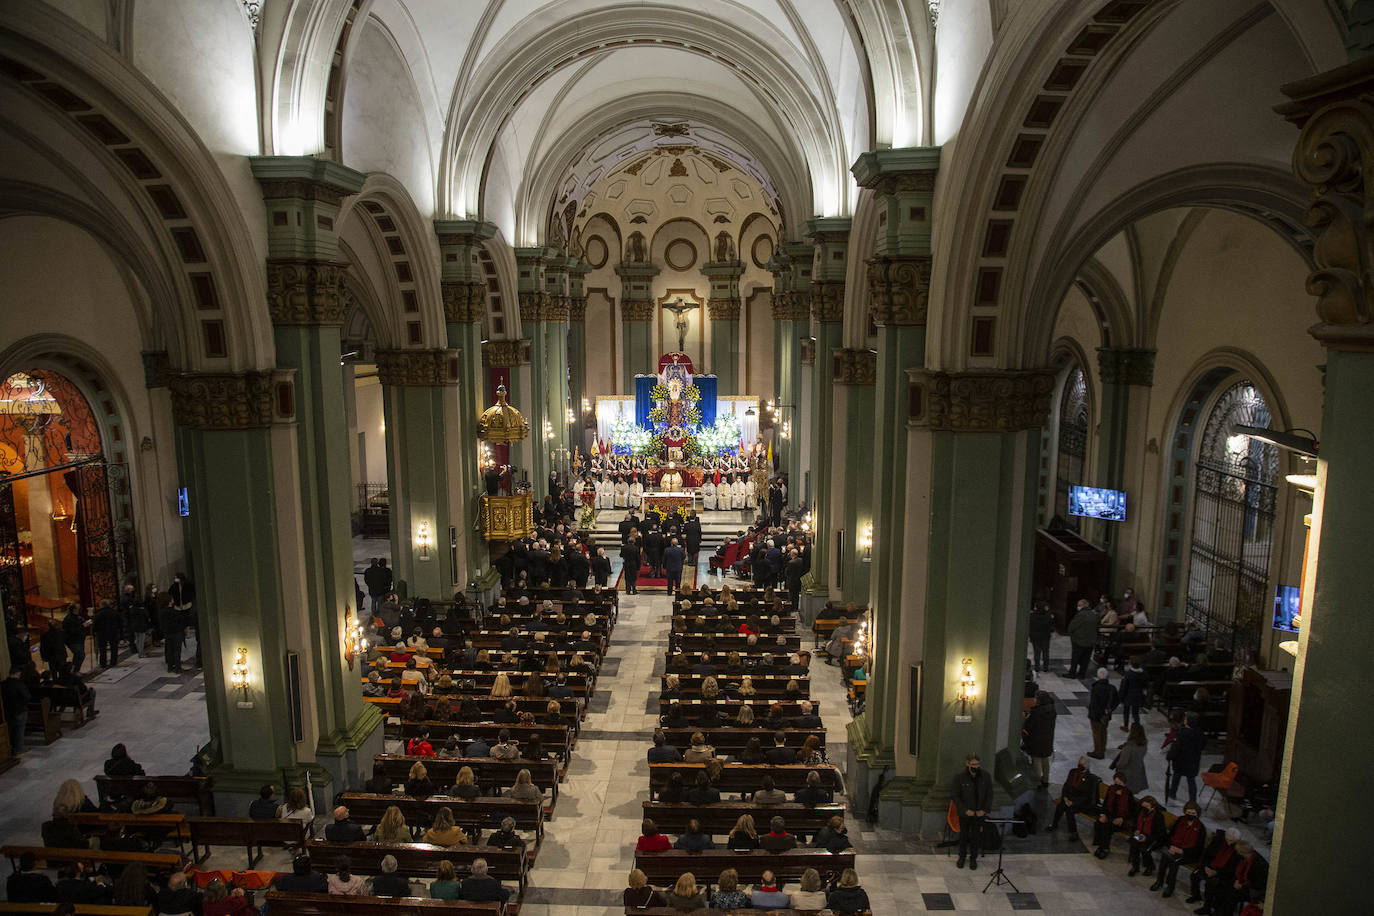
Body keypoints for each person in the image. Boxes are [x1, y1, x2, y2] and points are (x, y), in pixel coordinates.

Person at [1151, 800, 1207, 896]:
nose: (1190, 815)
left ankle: (1170, 887)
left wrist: (1182, 850)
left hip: (1189, 854)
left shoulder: (1200, 828)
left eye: (1193, 813)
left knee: (1174, 862)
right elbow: (1171, 835)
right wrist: (1171, 846)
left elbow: (1198, 847)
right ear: (1185, 812)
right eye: (1188, 813)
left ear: (1197, 814)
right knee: (1164, 857)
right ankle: (1159, 881)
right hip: (1174, 848)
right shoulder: (1181, 820)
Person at [1197, 841, 1266, 916]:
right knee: (1223, 885)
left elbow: (1259, 883)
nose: (1237, 853)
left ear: (1242, 852)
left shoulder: (1258, 863)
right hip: (1243, 883)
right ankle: (1214, 909)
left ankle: (1222, 913)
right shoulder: (1245, 856)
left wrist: (1242, 885)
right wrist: (1237, 880)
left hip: (1254, 890)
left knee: (1232, 895)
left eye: (1238, 852)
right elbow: (1238, 871)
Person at [954, 751, 992, 870]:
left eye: (977, 764)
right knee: (963, 836)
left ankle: (973, 858)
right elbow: (955, 796)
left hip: (978, 813)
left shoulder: (985, 776)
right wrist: (965, 810)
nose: (975, 767)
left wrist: (984, 810)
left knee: (976, 837)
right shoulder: (960, 778)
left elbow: (989, 795)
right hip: (966, 814)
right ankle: (962, 857)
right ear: (967, 764)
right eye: (973, 764)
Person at [1187, 827, 1241, 905]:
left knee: (1210, 884)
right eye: (1227, 839)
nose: (1229, 842)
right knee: (1194, 876)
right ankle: (1196, 895)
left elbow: (1233, 868)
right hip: (1209, 866)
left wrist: (1216, 872)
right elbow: (1206, 854)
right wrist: (1205, 866)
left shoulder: (1238, 850)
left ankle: (1207, 906)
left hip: (1222, 873)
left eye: (1232, 841)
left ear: (1236, 840)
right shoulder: (1218, 840)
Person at [1049, 757, 1100, 837]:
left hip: (1081, 802)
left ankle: (1073, 832)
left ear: (1087, 766)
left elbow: (1086, 796)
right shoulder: (1073, 772)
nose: (1079, 766)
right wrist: (1065, 797)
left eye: (1082, 764)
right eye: (1079, 763)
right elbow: (1066, 786)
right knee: (1060, 806)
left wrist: (1073, 802)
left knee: (1070, 810)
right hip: (1069, 798)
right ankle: (1054, 825)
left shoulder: (1090, 778)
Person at [1166, 711, 1206, 803]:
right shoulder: (1200, 732)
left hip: (1181, 760)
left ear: (1187, 721)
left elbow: (1175, 747)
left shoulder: (1181, 733)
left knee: (1176, 776)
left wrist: (1170, 756)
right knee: (1191, 780)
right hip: (1193, 760)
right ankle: (1192, 799)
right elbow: (1203, 744)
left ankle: (1172, 793)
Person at [1093, 771, 1134, 858]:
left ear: (1124, 782)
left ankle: (1105, 849)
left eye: (1120, 783)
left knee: (1107, 827)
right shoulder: (1111, 789)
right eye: (1116, 783)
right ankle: (1101, 846)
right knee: (1099, 822)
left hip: (1121, 820)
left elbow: (1131, 811)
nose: (1118, 785)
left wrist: (1122, 819)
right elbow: (1105, 804)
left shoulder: (1128, 793)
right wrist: (1103, 814)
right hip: (1110, 815)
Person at [1022, 689, 1058, 787]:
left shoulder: (1037, 712)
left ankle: (1036, 781)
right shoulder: (1052, 710)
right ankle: (1045, 779)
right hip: (1047, 739)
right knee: (1045, 759)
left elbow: (1029, 725)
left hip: (1036, 740)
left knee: (1036, 760)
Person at [1126, 794, 1167, 877]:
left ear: (1152, 807)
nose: (1143, 808)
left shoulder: (1158, 816)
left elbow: (1161, 834)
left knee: (1145, 849)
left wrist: (1146, 838)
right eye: (1143, 806)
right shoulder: (1140, 811)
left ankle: (1150, 867)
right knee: (1133, 843)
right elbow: (1134, 823)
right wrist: (1136, 831)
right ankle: (1135, 867)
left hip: (1153, 839)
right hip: (1141, 835)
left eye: (1146, 806)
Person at [1087, 667, 1119, 759]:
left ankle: (1098, 752)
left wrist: (1092, 713)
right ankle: (1103, 747)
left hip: (1096, 716)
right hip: (1106, 715)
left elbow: (1094, 704)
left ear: (1098, 676)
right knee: (1103, 731)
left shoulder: (1096, 688)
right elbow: (1116, 701)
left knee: (1096, 733)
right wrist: (1110, 710)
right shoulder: (1112, 688)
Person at [1066, 599, 1098, 678]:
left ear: (1083, 605)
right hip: (1090, 641)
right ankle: (1082, 674)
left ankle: (1072, 673)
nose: (1078, 607)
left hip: (1079, 640)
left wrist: (1070, 632)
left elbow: (1072, 626)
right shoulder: (1094, 614)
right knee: (1086, 659)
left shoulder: (1081, 614)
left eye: (1079, 605)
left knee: (1075, 658)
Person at [3, 666, 31, 755]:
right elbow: (27, 696)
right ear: (18, 673)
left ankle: (10, 747)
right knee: (19, 730)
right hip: (19, 709)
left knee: (11, 730)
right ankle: (18, 748)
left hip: (7, 711)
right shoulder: (18, 684)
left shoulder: (3, 684)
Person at [1116, 722, 1149, 793]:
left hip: (1128, 773)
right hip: (1138, 769)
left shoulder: (1129, 747)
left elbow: (1123, 762)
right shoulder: (1144, 743)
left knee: (1126, 791)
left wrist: (1117, 765)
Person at [1120, 656, 1150, 730]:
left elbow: (1124, 687)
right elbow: (1146, 685)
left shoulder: (1128, 674)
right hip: (1138, 695)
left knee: (1126, 711)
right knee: (1135, 712)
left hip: (1128, 695)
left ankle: (1126, 726)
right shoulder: (1144, 673)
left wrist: (1121, 696)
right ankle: (1137, 726)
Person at [93, 599, 121, 669]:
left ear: (101, 605)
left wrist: (95, 631)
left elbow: (95, 624)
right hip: (113, 632)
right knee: (114, 647)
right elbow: (120, 621)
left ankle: (103, 663)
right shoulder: (114, 612)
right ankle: (113, 662)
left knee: (102, 648)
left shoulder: (98, 614)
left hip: (102, 633)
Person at [1028, 601, 1054, 672]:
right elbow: (1051, 628)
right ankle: (1045, 668)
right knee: (1045, 652)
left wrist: (1030, 635)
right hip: (1045, 636)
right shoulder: (1048, 616)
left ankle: (1037, 668)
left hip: (1035, 637)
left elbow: (1030, 626)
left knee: (1037, 652)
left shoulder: (1032, 615)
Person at [158, 599, 183, 673]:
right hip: (176, 632)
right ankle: (177, 668)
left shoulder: (162, 612)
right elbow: (180, 620)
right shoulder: (174, 611)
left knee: (169, 650)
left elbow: (161, 623)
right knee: (177, 650)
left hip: (168, 633)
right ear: (169, 602)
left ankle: (170, 667)